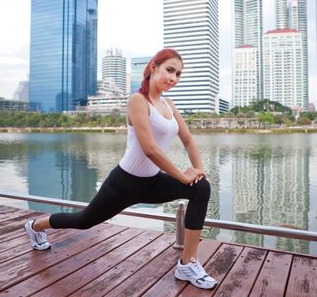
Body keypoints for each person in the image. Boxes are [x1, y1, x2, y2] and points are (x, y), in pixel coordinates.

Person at [24, 48, 217, 289]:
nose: (174, 78)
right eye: (170, 70)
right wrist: (182, 175)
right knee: (85, 220)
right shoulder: (137, 101)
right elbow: (150, 149)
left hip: (153, 182)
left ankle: (187, 264)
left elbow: (187, 139)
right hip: (124, 183)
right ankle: (35, 226)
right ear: (152, 67)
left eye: (178, 74)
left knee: (201, 188)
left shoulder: (169, 105)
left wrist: (198, 170)